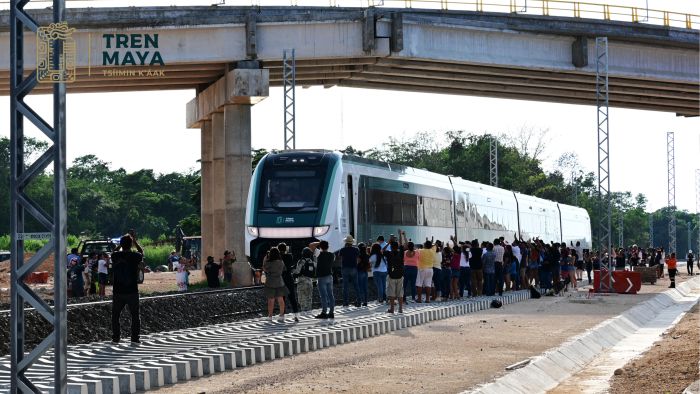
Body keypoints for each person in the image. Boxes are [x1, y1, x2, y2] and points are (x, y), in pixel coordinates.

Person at [111, 234, 144, 344]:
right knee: (135, 316)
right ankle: (135, 338)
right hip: (132, 291)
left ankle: (116, 338)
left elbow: (113, 252)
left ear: (121, 244)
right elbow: (141, 253)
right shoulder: (135, 256)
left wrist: (119, 246)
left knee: (115, 316)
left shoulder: (115, 256)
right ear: (131, 244)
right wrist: (135, 242)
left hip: (118, 291)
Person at [263, 247, 288, 322]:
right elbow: (284, 269)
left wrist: (265, 259)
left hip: (270, 281)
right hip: (280, 281)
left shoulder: (269, 262)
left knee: (271, 300)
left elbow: (264, 268)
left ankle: (270, 316)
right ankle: (282, 315)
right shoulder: (281, 262)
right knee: (280, 299)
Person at [313, 240, 335, 319]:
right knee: (330, 295)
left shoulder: (318, 253)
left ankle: (324, 312)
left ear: (320, 247)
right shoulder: (332, 255)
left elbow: (311, 245)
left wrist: (319, 243)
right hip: (329, 276)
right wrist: (323, 244)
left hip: (322, 277)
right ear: (328, 247)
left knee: (323, 296)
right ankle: (331, 312)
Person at [278, 243, 300, 322]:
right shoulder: (289, 256)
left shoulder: (278, 257)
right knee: (292, 298)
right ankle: (296, 315)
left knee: (282, 299)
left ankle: (282, 316)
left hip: (281, 279)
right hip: (289, 278)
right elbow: (292, 264)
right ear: (285, 249)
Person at [337, 235, 360, 307]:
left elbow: (339, 256)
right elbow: (358, 258)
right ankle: (359, 301)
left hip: (345, 268)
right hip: (353, 268)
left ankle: (345, 302)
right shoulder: (356, 249)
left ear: (346, 242)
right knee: (356, 285)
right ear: (352, 242)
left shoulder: (343, 249)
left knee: (345, 286)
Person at [294, 247, 316, 311]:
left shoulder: (301, 261)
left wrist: (293, 271)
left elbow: (297, 271)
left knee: (302, 299)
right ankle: (309, 312)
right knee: (309, 298)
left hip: (302, 282)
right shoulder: (311, 261)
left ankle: (303, 312)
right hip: (310, 281)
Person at [386, 241, 404, 313]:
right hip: (400, 274)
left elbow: (381, 250)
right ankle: (400, 309)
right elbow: (403, 246)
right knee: (400, 292)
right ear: (398, 247)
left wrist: (388, 242)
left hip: (392, 275)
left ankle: (392, 309)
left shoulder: (389, 253)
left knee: (392, 293)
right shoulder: (401, 253)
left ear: (391, 247)